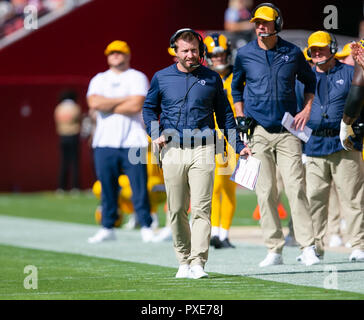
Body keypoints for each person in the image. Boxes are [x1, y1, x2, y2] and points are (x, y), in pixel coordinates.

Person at [143, 28, 251, 279]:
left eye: (194, 50)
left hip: (204, 148)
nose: (191, 55)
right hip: (172, 149)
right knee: (177, 208)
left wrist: (238, 145)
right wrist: (154, 132)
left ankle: (198, 262)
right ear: (175, 51)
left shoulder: (212, 78)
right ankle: (183, 260)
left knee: (202, 208)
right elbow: (149, 108)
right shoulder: (161, 77)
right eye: (185, 50)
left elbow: (224, 116)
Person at [231, 3, 320, 267]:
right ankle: (274, 249)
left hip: (288, 132)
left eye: (266, 23)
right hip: (258, 131)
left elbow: (310, 83)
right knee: (265, 191)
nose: (260, 27)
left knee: (296, 188)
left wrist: (306, 109)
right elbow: (236, 89)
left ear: (277, 24)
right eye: (258, 22)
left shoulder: (292, 52)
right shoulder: (244, 54)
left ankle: (307, 247)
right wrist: (240, 116)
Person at [296, 31, 364, 261]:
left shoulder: (349, 72)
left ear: (332, 49)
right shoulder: (304, 77)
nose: (317, 53)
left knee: (352, 198)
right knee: (315, 199)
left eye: (321, 49)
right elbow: (297, 113)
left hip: (344, 142)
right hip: (314, 145)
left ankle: (359, 245)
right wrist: (301, 147)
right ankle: (315, 247)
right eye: (313, 49)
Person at [86, 40, 155, 244]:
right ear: (108, 56)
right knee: (107, 186)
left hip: (133, 140)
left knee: (139, 186)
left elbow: (136, 105)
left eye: (120, 52)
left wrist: (107, 105)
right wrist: (122, 100)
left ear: (127, 55)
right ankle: (107, 226)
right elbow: (93, 103)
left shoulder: (137, 77)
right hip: (104, 141)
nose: (116, 55)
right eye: (112, 53)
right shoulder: (99, 79)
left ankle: (146, 226)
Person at [203, 32, 239, 249]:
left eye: (222, 54)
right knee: (214, 185)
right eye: (214, 55)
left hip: (234, 135)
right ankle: (214, 231)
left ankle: (224, 233)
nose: (218, 58)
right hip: (213, 135)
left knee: (229, 185)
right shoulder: (204, 77)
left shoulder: (238, 75)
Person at [54, 89, 81, 193]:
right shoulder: (75, 107)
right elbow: (77, 118)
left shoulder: (59, 108)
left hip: (62, 136)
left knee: (64, 162)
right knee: (75, 163)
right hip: (73, 136)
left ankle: (61, 187)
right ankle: (75, 187)